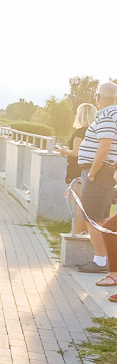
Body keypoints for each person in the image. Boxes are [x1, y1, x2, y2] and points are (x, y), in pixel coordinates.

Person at [75, 82, 117, 273]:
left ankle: (100, 261)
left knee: (92, 218)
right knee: (99, 218)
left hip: (98, 173)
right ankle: (104, 259)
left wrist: (92, 173)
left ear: (98, 98)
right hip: (103, 172)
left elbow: (105, 147)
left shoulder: (107, 116)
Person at [58, 103, 98, 236]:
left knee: (77, 203)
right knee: (85, 204)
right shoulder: (96, 131)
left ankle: (78, 232)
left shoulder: (80, 132)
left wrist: (64, 151)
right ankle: (84, 231)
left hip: (76, 170)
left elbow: (76, 152)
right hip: (90, 169)